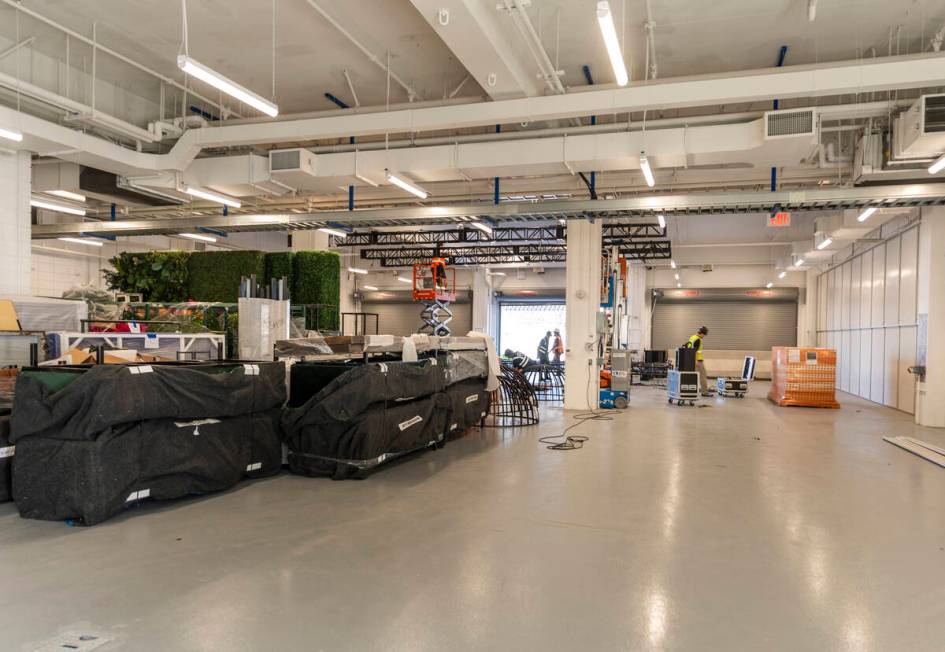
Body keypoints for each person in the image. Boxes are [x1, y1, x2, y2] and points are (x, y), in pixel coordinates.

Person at [686, 326, 712, 396]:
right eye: (704, 335)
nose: (704, 336)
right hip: (697, 361)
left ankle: (687, 389)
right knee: (703, 375)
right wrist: (695, 361)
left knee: (691, 376)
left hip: (691, 360)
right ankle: (704, 392)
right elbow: (694, 351)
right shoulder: (698, 339)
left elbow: (688, 348)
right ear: (702, 333)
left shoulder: (692, 337)